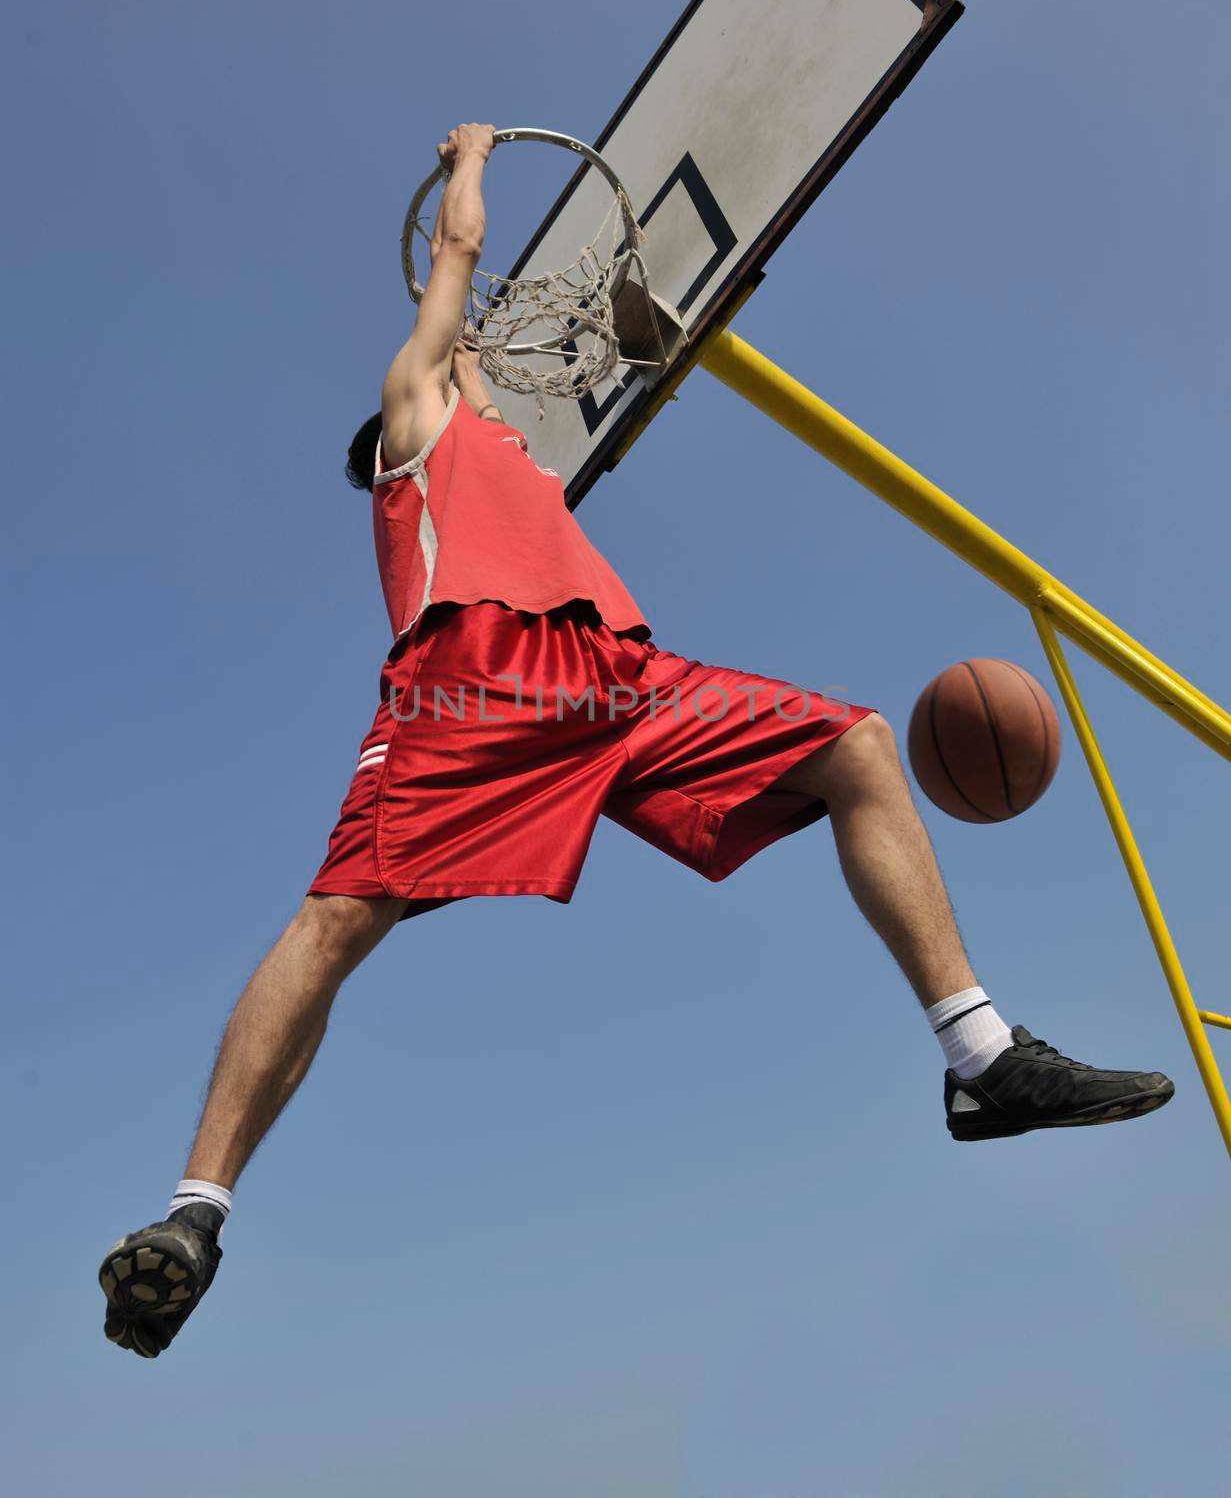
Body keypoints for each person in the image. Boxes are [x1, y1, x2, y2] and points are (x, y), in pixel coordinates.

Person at [99, 123, 1174, 1359]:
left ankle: (978, 1055)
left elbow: (506, 364)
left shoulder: (500, 446)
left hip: (616, 679)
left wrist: (628, 314)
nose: (470, 381)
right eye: (459, 375)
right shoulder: (411, 428)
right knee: (337, 920)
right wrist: (471, 159)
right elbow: (453, 265)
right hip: (472, 682)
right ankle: (194, 1217)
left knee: (859, 745)